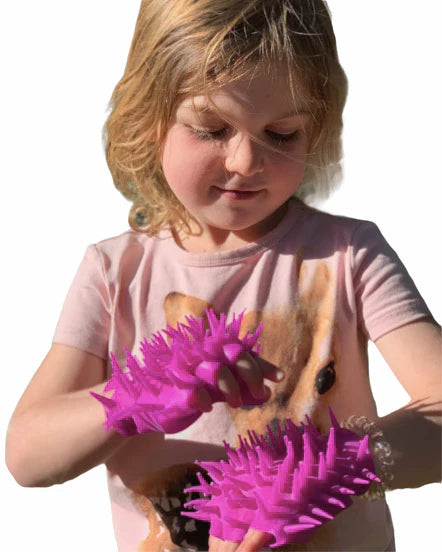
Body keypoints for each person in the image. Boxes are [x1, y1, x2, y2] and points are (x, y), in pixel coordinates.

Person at [5, 1, 441, 551]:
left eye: (281, 134)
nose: (244, 161)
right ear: (150, 120)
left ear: (315, 130)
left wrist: (335, 467)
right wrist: (133, 396)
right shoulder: (114, 273)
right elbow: (27, 456)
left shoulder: (346, 254)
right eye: (211, 129)